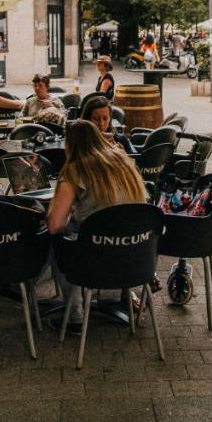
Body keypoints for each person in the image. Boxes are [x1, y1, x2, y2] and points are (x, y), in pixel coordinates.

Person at [46, 119, 149, 329]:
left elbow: (55, 225)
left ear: (70, 145)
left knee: (56, 240)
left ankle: (74, 315)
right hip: (134, 256)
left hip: (93, 260)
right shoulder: (123, 161)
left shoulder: (74, 171)